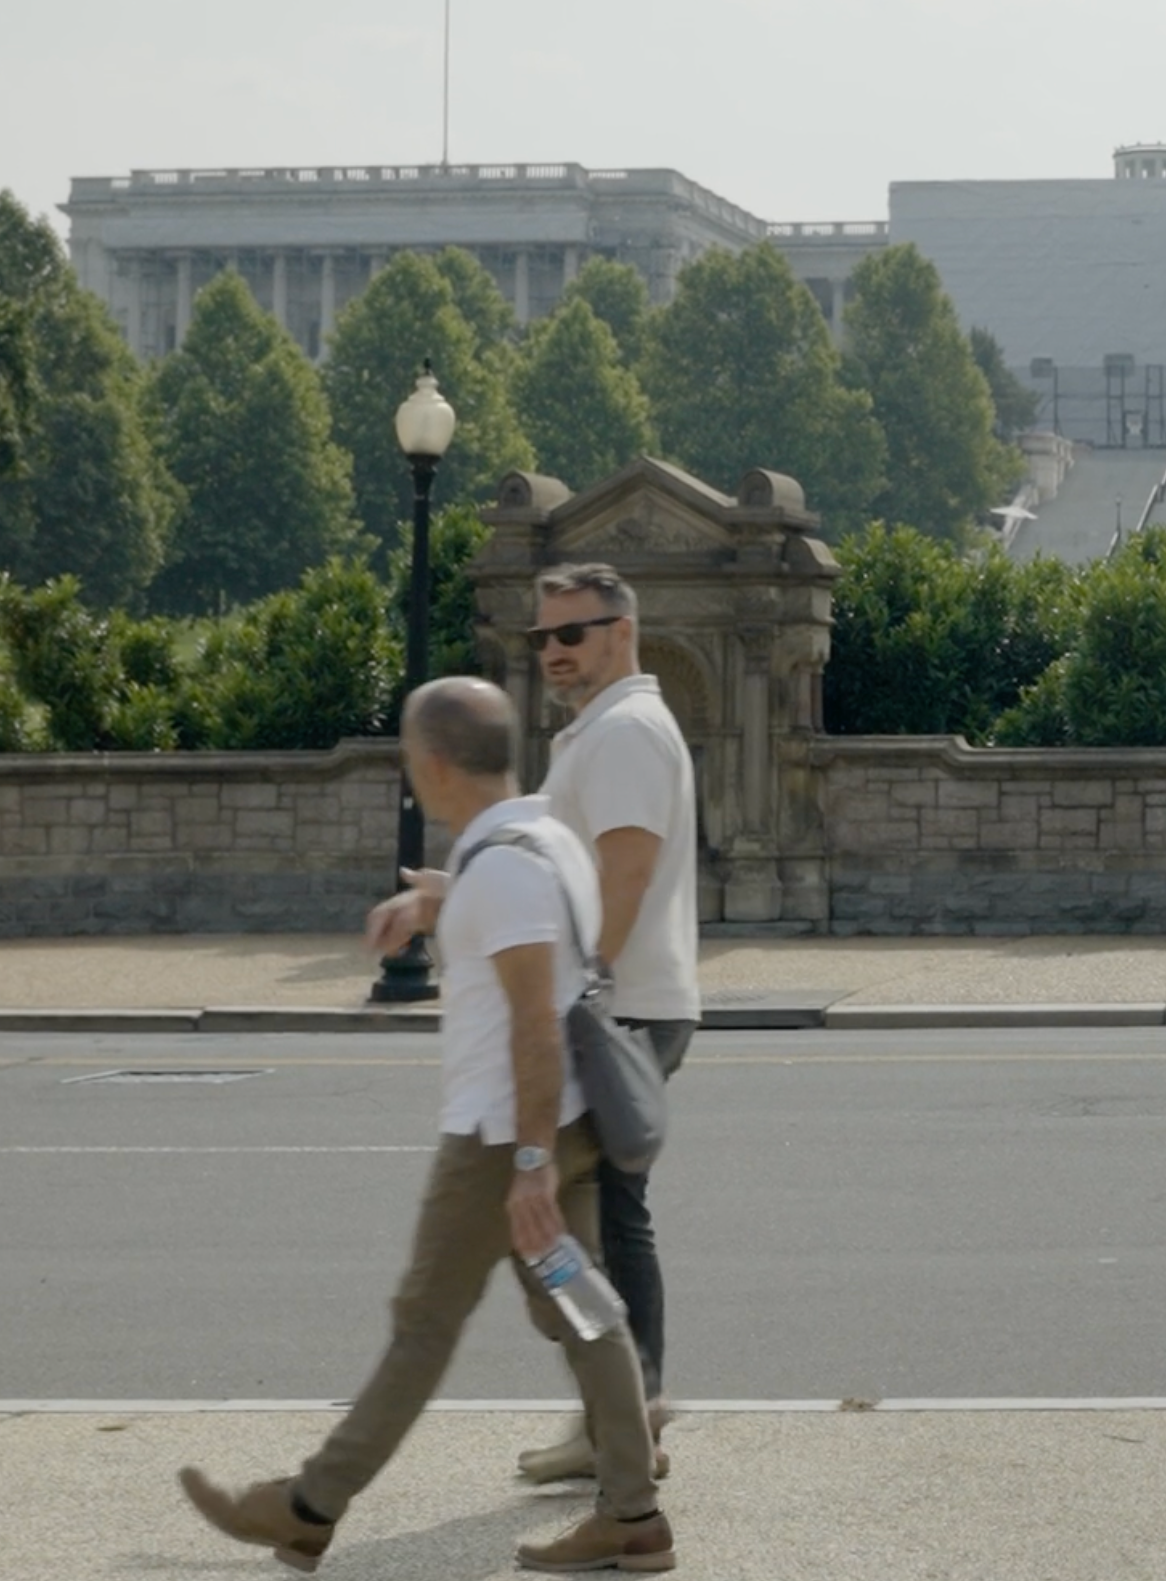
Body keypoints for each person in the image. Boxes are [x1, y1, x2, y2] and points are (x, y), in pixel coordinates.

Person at [175, 676, 671, 1575]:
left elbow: (531, 1020)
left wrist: (524, 1167)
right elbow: (535, 932)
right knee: (586, 1312)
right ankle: (632, 1515)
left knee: (424, 1325)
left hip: (500, 1144)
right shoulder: (544, 839)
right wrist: (435, 904)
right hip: (565, 1126)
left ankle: (307, 1507)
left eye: (410, 761)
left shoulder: (508, 868)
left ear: (433, 766)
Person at [512, 562, 702, 1487]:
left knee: (583, 1220)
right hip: (623, 1003)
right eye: (541, 637)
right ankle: (622, 1415)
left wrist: (575, 992)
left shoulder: (625, 732)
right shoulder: (603, 730)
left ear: (620, 630)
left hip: (617, 1007)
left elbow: (623, 875)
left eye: (570, 633)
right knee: (603, 1218)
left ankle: (627, 1419)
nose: (552, 650)